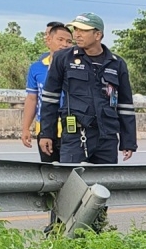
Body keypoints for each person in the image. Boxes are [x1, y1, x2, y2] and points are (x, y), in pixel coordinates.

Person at [38, 12, 137, 166]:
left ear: (97, 35)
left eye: (83, 30)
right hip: (75, 137)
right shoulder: (63, 58)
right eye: (76, 29)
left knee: (103, 185)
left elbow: (125, 105)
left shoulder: (117, 64)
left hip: (107, 138)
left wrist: (128, 141)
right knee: (72, 183)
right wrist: (46, 133)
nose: (77, 34)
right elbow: (50, 98)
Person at [21, 22, 73, 163]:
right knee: (51, 173)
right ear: (48, 40)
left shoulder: (76, 67)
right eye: (60, 40)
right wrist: (25, 128)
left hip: (70, 129)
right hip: (45, 129)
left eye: (68, 41)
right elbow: (32, 99)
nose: (64, 44)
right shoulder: (37, 68)